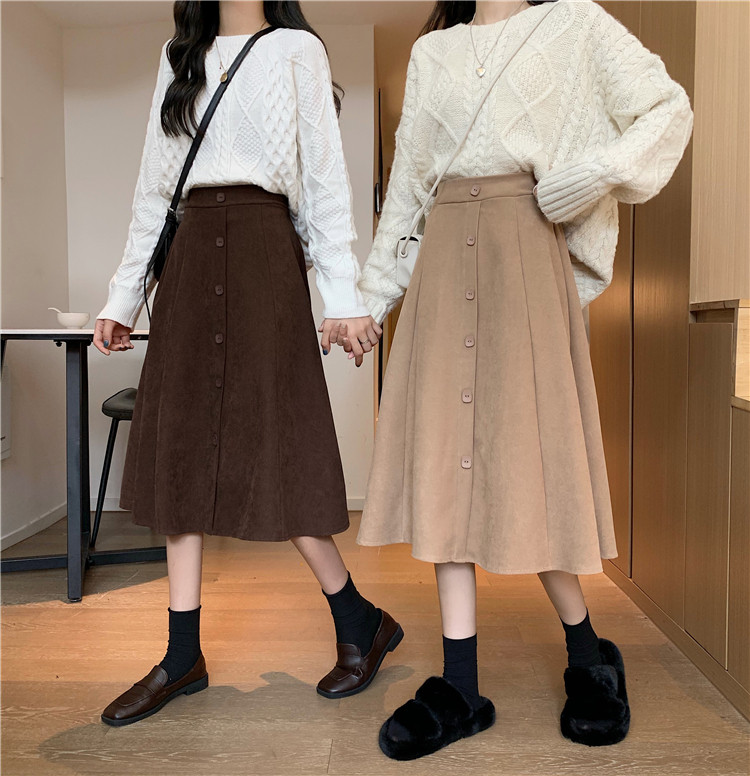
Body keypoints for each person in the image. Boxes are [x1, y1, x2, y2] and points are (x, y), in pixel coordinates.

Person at [339, 0, 693, 759]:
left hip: (525, 255)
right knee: (447, 467)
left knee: (531, 469)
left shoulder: (577, 25)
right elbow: (409, 189)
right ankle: (460, 686)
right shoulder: (432, 53)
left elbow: (668, 109)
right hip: (442, 261)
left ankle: (588, 652)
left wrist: (590, 175)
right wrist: (371, 299)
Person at [94, 0, 399, 728]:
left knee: (279, 444)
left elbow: (324, 181)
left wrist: (343, 296)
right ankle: (182, 656)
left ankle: (357, 619)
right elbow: (153, 189)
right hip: (191, 256)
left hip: (266, 253)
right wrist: (124, 294)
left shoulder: (296, 50)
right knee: (181, 453)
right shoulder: (179, 56)